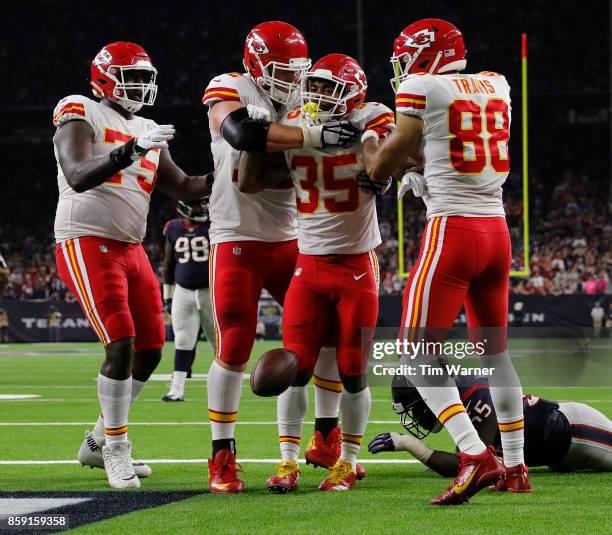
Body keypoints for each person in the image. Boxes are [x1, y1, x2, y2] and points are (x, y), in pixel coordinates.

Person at [364, 18, 529, 504]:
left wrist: (369, 141)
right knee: (496, 355)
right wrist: (428, 174)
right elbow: (455, 147)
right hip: (496, 232)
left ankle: (475, 456)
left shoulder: (422, 85)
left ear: (426, 54)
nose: (403, 68)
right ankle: (516, 467)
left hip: (452, 233)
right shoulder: (497, 83)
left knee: (412, 353)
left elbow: (380, 165)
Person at [202, 21, 358, 494]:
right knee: (234, 346)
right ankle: (222, 456)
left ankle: (326, 438)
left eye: (297, 72)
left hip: (296, 237)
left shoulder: (305, 96)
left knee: (325, 338)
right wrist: (310, 138)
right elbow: (242, 133)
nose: (291, 82)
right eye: (280, 71)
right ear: (254, 64)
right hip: (237, 235)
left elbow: (307, 153)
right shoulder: (230, 85)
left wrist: (293, 142)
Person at [53, 41, 213, 489]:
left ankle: (98, 438)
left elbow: (183, 186)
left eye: (146, 78)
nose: (141, 86)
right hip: (85, 240)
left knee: (150, 348)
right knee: (120, 343)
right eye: (132, 77)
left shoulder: (145, 126)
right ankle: (117, 449)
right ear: (104, 77)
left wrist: (229, 170)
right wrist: (131, 149)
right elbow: (78, 174)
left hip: (129, 245)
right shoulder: (79, 108)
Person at [239, 53, 394, 491]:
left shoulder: (371, 116)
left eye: (329, 88)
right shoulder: (294, 122)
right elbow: (250, 179)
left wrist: (379, 169)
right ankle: (287, 461)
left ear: (352, 92)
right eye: (317, 86)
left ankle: (346, 459)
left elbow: (376, 154)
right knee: (296, 366)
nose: (318, 94)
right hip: (308, 265)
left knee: (351, 369)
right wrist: (259, 137)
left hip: (356, 267)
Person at [369, 375, 612, 474]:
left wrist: (410, 444)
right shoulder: (462, 394)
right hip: (558, 455)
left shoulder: (476, 396)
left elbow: (472, 465)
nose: (416, 418)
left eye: (415, 409)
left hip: (578, 433)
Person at [162, 198, 215, 401]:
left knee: (218, 344)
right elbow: (168, 264)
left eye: (203, 204)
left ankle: (224, 386)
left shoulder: (214, 225)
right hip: (182, 292)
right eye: (197, 205)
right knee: (183, 340)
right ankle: (177, 389)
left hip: (210, 291)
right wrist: (167, 297)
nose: (202, 208)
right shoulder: (173, 228)